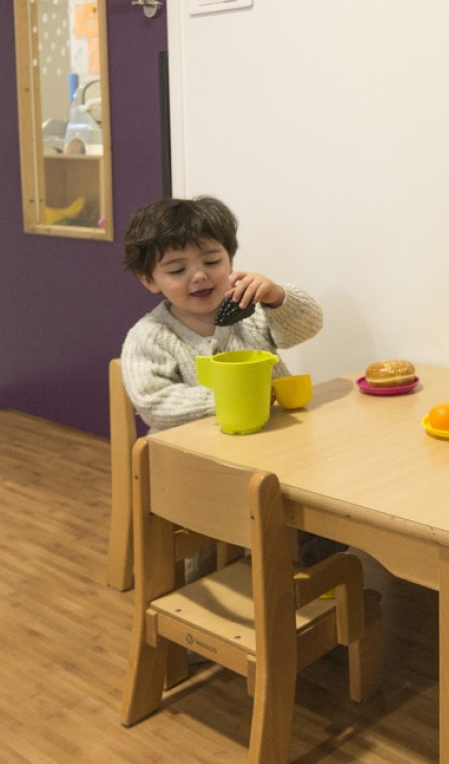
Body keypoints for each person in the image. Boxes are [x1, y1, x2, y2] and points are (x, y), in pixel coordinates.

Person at [121, 195, 342, 566]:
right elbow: (152, 399)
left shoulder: (248, 312)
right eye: (177, 270)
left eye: (212, 261)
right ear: (149, 280)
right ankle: (208, 580)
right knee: (208, 539)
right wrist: (235, 401)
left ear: (230, 261)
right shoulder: (151, 335)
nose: (200, 275)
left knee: (323, 498)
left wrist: (277, 297)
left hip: (276, 453)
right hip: (200, 467)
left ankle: (310, 570)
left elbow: (308, 325)